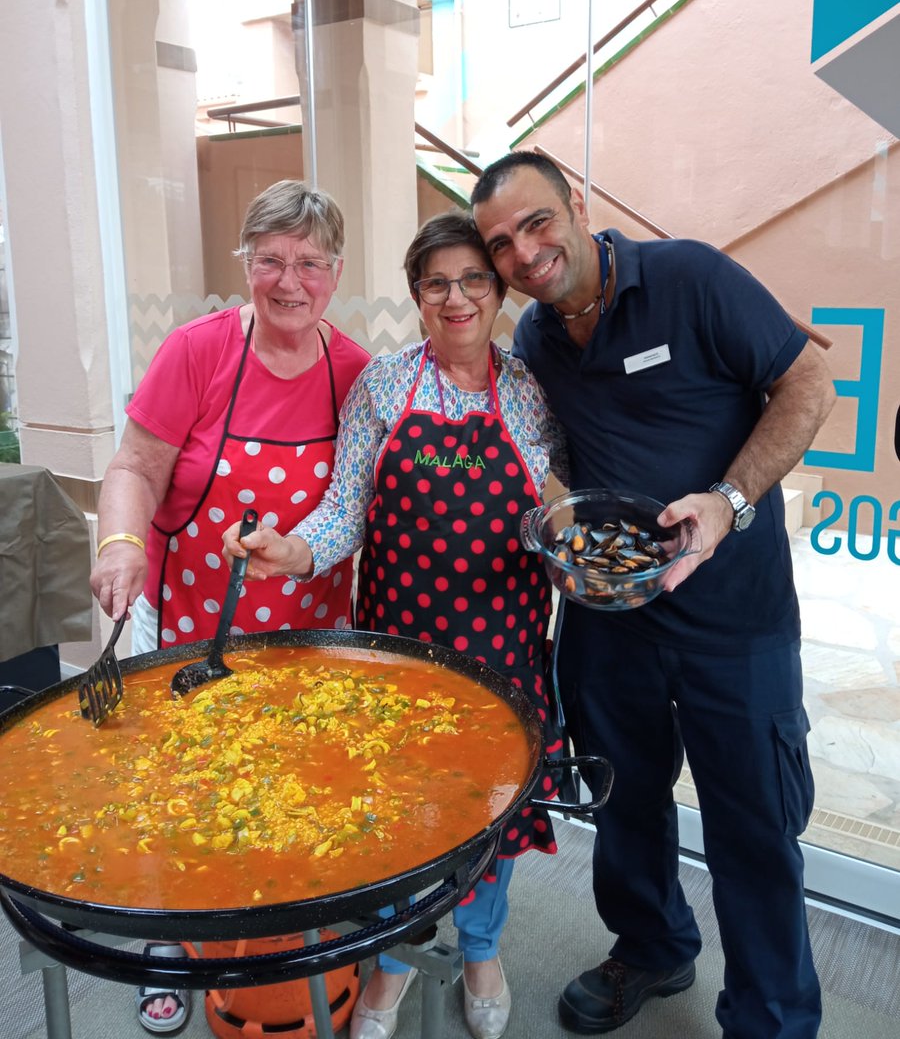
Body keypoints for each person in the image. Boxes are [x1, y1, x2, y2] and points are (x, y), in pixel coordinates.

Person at [470, 151, 836, 1039]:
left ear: (579, 205)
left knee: (753, 829)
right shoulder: (537, 339)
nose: (525, 252)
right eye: (502, 244)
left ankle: (772, 1016)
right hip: (610, 621)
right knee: (624, 805)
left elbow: (808, 383)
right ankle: (653, 944)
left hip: (732, 622)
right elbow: (555, 450)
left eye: (537, 222)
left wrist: (728, 502)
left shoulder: (694, 278)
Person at [222, 210, 569, 1039]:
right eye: (436, 282)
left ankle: (481, 949)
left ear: (497, 289)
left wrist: (575, 556)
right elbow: (346, 508)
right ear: (416, 294)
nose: (456, 298)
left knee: (488, 811)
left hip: (502, 647)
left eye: (473, 280)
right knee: (396, 817)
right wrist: (295, 551)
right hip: (396, 653)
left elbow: (557, 512)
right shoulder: (382, 383)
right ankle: (392, 962)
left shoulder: (530, 389)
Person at [89, 179, 370, 1035]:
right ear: (245, 264)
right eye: (271, 260)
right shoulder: (198, 352)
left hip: (308, 634)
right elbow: (134, 469)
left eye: (310, 263)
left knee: (293, 796)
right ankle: (173, 946)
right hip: (196, 628)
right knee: (191, 796)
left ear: (337, 272)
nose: (290, 281)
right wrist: (122, 545)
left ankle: (290, 950)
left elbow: (357, 505)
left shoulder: (353, 369)